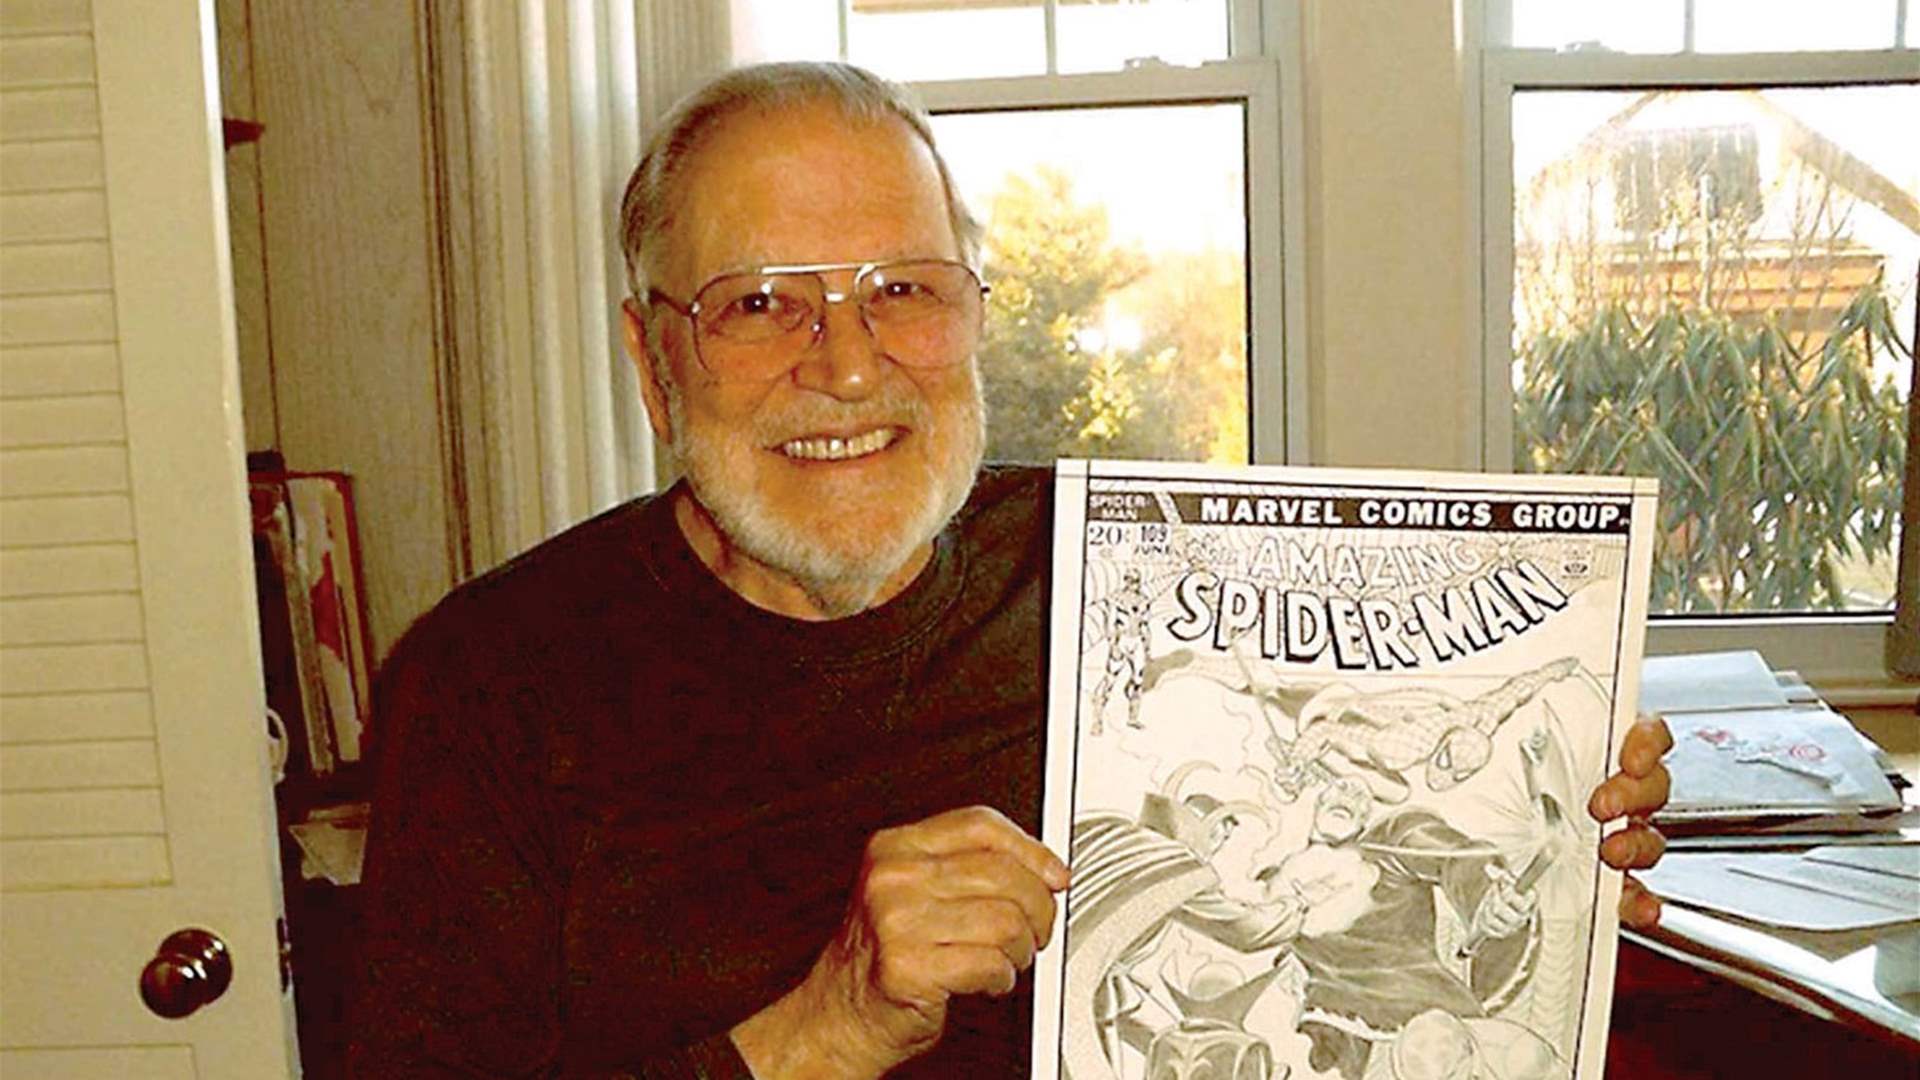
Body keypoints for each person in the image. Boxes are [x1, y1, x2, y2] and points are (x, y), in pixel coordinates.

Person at [348, 61, 1673, 1079]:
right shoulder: (489, 686)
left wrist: (1548, 817)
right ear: (653, 362)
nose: (848, 366)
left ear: (975, 315)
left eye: (904, 292)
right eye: (759, 304)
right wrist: (828, 1028)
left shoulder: (1134, 576)